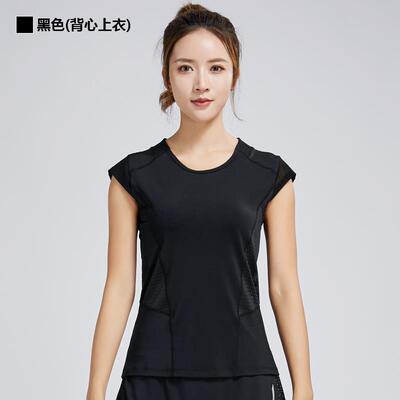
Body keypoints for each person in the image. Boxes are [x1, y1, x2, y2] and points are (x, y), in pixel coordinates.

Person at [86, 3, 313, 400]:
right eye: (186, 68)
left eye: (216, 68)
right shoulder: (133, 177)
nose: (201, 84)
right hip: (153, 377)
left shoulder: (270, 177)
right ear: (167, 76)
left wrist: (304, 388)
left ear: (234, 75)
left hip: (246, 377)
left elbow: (284, 287)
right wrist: (94, 391)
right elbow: (119, 287)